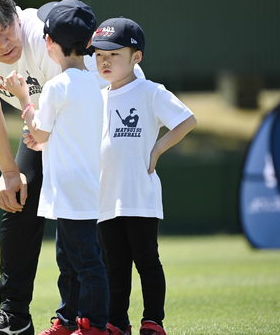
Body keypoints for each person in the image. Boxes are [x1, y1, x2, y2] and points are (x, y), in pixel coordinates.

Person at [0, 0, 143, 335]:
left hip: (104, 118)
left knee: (82, 216)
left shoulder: (47, 38)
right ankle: (15, 316)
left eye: (4, 30)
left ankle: (95, 319)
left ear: (15, 13)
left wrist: (36, 134)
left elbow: (72, 119)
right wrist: (9, 172)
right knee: (18, 198)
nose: (1, 45)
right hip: (49, 122)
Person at [3, 0, 109, 335]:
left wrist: (22, 96)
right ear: (89, 42)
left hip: (68, 189)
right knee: (73, 258)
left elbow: (38, 130)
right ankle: (69, 320)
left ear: (49, 43)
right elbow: (58, 133)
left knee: (85, 262)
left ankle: (92, 324)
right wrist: (42, 138)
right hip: (88, 184)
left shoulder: (55, 86)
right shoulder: (94, 84)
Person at [92, 17, 197, 335]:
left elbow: (186, 120)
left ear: (136, 57)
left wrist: (158, 149)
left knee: (147, 260)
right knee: (114, 265)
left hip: (138, 193)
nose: (105, 61)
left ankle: (153, 321)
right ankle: (116, 322)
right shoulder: (98, 97)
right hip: (105, 197)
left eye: (114, 55)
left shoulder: (150, 91)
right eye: (98, 55)